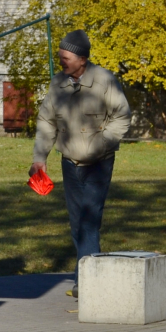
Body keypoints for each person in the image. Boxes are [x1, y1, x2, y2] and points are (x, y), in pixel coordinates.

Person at [30, 30, 131, 290]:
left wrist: (101, 144)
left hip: (99, 164)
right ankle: (88, 274)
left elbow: (122, 116)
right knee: (77, 223)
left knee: (89, 219)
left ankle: (87, 283)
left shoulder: (105, 80)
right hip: (69, 164)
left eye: (66, 57)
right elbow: (46, 122)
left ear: (82, 59)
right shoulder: (57, 84)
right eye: (61, 57)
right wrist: (40, 158)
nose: (61, 61)